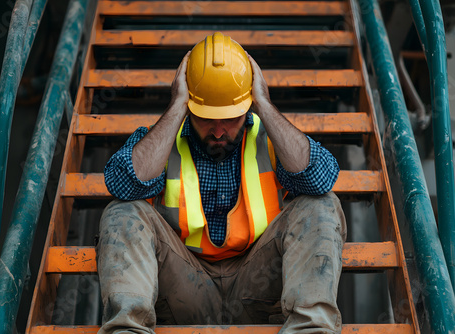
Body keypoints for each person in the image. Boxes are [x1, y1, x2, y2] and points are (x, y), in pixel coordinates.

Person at [97, 32, 347, 334]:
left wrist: (264, 104)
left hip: (258, 287)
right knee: (122, 213)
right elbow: (121, 185)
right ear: (189, 106)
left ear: (248, 105)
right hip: (183, 289)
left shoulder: (272, 139)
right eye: (206, 118)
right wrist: (176, 106)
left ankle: (312, 331)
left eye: (230, 118)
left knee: (320, 205)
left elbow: (320, 179)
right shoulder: (162, 139)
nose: (218, 132)